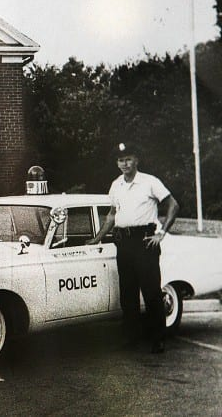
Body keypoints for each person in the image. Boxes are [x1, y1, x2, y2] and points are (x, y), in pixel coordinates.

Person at [87, 142, 179, 354]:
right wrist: (97, 238)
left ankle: (158, 339)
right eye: (120, 160)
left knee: (151, 292)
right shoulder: (116, 184)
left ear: (136, 160)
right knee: (127, 294)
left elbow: (173, 204)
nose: (124, 164)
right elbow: (112, 214)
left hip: (145, 241)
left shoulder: (149, 182)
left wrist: (161, 233)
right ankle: (131, 337)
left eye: (128, 159)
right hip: (124, 243)